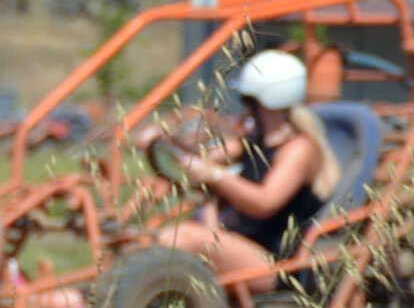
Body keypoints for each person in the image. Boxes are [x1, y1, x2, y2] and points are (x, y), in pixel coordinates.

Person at [134, 48, 341, 289]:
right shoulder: (251, 141)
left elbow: (264, 203)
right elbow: (200, 158)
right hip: (237, 246)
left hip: (275, 264)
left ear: (264, 101)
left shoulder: (299, 149)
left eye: (249, 100)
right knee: (143, 240)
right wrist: (163, 137)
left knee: (185, 237)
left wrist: (216, 176)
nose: (245, 108)